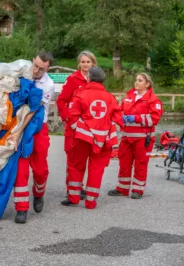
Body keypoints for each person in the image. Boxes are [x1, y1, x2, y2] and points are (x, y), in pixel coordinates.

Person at [61, 67, 124, 209]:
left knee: (76, 166)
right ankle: (91, 201)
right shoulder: (110, 98)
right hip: (102, 140)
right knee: (97, 169)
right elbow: (118, 119)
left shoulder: (81, 94)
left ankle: (74, 198)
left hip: (83, 138)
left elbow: (72, 116)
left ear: (88, 78)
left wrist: (79, 130)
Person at [10, 51, 55, 224]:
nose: (36, 71)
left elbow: (33, 110)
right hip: (18, 125)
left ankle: (39, 193)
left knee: (40, 169)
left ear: (47, 68)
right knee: (21, 167)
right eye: (35, 65)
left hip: (37, 127)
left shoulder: (47, 84)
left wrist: (19, 131)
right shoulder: (23, 70)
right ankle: (21, 208)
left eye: (41, 69)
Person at [107, 73, 162, 199]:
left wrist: (135, 118)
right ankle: (122, 189)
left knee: (140, 164)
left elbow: (154, 119)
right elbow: (120, 111)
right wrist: (120, 118)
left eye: (140, 80)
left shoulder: (153, 100)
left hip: (143, 138)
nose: (136, 82)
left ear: (147, 84)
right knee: (124, 162)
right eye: (136, 80)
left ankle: (138, 190)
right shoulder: (129, 97)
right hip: (127, 137)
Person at [56, 51, 97, 198]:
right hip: (74, 127)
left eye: (88, 62)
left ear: (93, 63)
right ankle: (72, 189)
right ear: (79, 63)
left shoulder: (96, 80)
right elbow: (61, 101)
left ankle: (79, 186)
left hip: (90, 127)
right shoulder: (73, 80)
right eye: (83, 62)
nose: (86, 64)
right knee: (73, 159)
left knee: (85, 158)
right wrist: (67, 119)